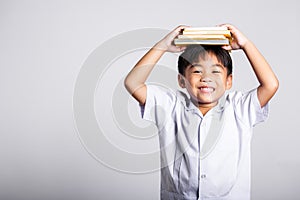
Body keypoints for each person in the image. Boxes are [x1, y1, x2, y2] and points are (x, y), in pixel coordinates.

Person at [124, 24, 279, 200]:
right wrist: (163, 46)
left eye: (215, 71)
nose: (206, 78)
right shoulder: (170, 106)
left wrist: (245, 44)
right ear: (182, 80)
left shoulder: (239, 108)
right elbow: (132, 83)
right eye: (197, 71)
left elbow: (270, 85)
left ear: (229, 81)